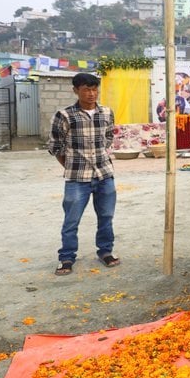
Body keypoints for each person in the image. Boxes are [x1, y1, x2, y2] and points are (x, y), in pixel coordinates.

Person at [49, 72, 121, 276]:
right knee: (72, 220)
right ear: (76, 91)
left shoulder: (107, 113)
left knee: (106, 216)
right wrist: (71, 165)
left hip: (104, 175)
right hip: (76, 179)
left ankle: (105, 251)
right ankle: (66, 257)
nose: (91, 94)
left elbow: (108, 138)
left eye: (94, 89)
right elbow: (55, 147)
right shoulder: (64, 116)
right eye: (86, 90)